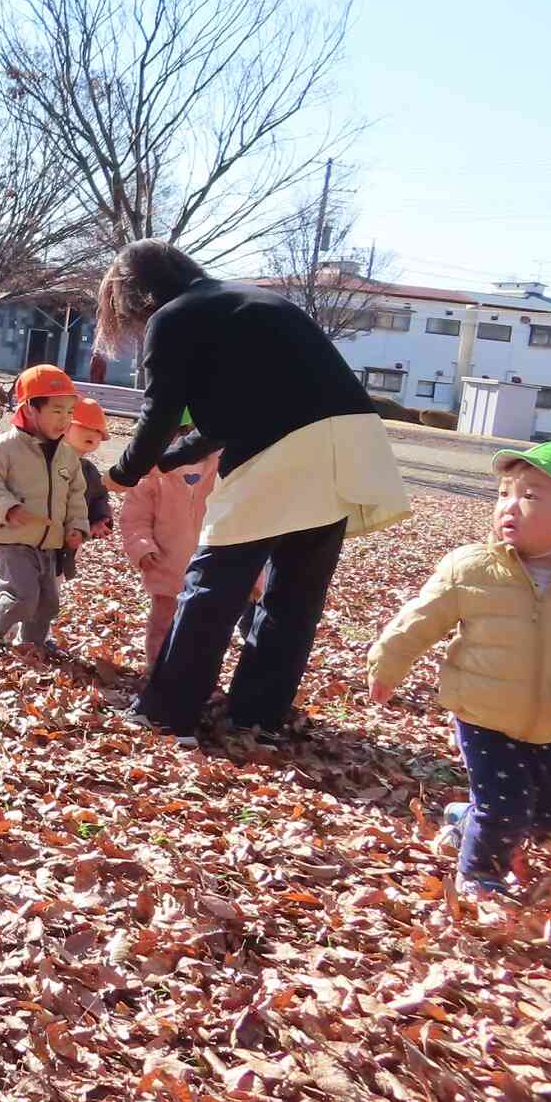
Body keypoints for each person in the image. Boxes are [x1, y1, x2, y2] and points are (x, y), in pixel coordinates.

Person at [97, 240, 410, 737]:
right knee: (295, 593)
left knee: (213, 581)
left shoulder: (173, 318)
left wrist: (124, 472)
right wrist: (167, 462)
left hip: (284, 447)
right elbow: (230, 417)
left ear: (135, 294)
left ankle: (166, 710)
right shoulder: (252, 305)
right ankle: (257, 716)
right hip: (353, 442)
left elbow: (159, 415)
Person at [367, 442, 551, 899]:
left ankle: (464, 818)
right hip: (483, 715)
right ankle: (480, 876)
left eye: (530, 496)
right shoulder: (473, 568)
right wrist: (389, 662)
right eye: (504, 493)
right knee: (505, 807)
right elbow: (420, 618)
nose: (509, 506)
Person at [122, 410, 267, 662]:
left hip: (212, 571)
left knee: (203, 627)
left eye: (187, 434)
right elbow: (135, 517)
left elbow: (246, 519)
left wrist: (255, 575)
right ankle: (157, 669)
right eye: (174, 436)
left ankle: (190, 672)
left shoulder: (225, 468)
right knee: (162, 623)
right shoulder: (153, 476)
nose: (180, 441)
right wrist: (142, 546)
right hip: (166, 565)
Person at [0, 364, 91, 654]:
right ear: (30, 408)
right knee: (23, 596)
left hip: (48, 542)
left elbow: (76, 494)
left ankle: (32, 643)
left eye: (69, 412)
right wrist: (9, 508)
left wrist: (77, 525)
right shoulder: (4, 447)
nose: (65, 419)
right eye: (56, 410)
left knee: (48, 603)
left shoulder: (66, 455)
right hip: (10, 537)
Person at [57, 395, 115, 580]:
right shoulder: (46, 461)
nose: (92, 434)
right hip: (36, 539)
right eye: (85, 427)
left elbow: (99, 497)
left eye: (97, 431)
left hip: (67, 547)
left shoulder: (89, 471)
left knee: (53, 588)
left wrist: (99, 519)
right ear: (65, 427)